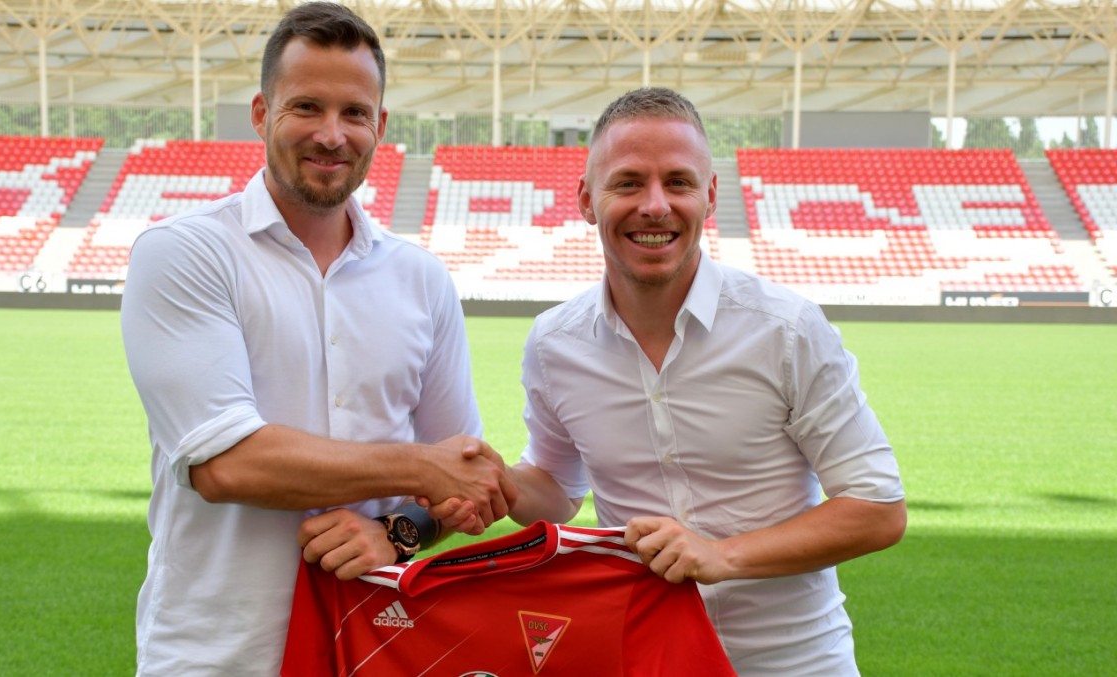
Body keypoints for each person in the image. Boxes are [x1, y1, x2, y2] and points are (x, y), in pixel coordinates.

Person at [119, 3, 514, 674]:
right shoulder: (186, 252)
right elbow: (227, 465)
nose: (332, 135)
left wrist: (395, 532)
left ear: (380, 126)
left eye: (354, 113)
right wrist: (420, 467)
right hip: (220, 655)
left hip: (377, 648)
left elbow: (459, 491)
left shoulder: (422, 279)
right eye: (306, 107)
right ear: (261, 112)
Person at [488, 87, 907, 675]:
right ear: (586, 199)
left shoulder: (785, 330)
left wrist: (720, 556)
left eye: (678, 182)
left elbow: (878, 507)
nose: (655, 206)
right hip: (641, 657)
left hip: (793, 662)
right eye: (628, 183)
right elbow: (557, 489)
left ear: (710, 196)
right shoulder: (555, 343)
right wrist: (494, 481)